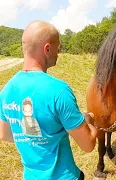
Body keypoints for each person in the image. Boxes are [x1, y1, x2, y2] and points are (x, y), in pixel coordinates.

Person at [0, 20, 97, 180]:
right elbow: (88, 145)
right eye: (57, 48)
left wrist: (34, 140)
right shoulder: (59, 91)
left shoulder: (6, 90)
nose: (58, 52)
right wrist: (89, 121)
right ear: (47, 48)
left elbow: (4, 134)